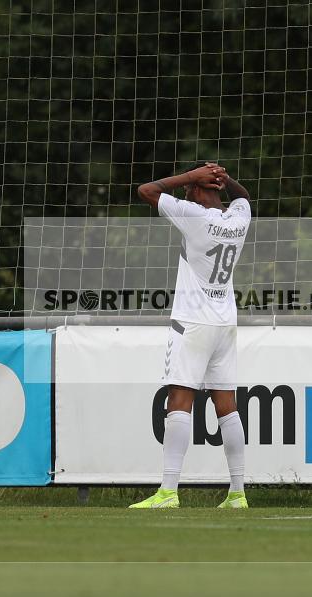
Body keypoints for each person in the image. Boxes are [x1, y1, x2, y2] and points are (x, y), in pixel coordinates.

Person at [128, 163, 252, 509]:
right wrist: (225, 181)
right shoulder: (237, 219)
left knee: (179, 401)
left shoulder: (193, 215)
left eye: (190, 189)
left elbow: (146, 191)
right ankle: (238, 493)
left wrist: (189, 176)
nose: (185, 192)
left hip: (193, 322)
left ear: (198, 191)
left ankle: (168, 491)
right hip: (225, 321)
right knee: (227, 407)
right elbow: (244, 197)